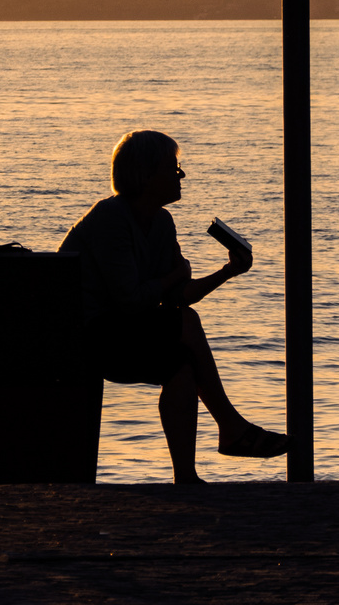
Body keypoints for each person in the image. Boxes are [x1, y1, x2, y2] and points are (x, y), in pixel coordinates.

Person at [60, 129, 290, 483]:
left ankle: (186, 476)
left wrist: (228, 272)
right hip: (87, 336)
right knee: (187, 323)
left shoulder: (162, 222)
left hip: (124, 329)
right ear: (146, 174)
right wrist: (172, 279)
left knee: (182, 366)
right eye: (173, 167)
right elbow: (132, 299)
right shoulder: (111, 219)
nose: (180, 175)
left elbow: (179, 295)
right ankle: (230, 427)